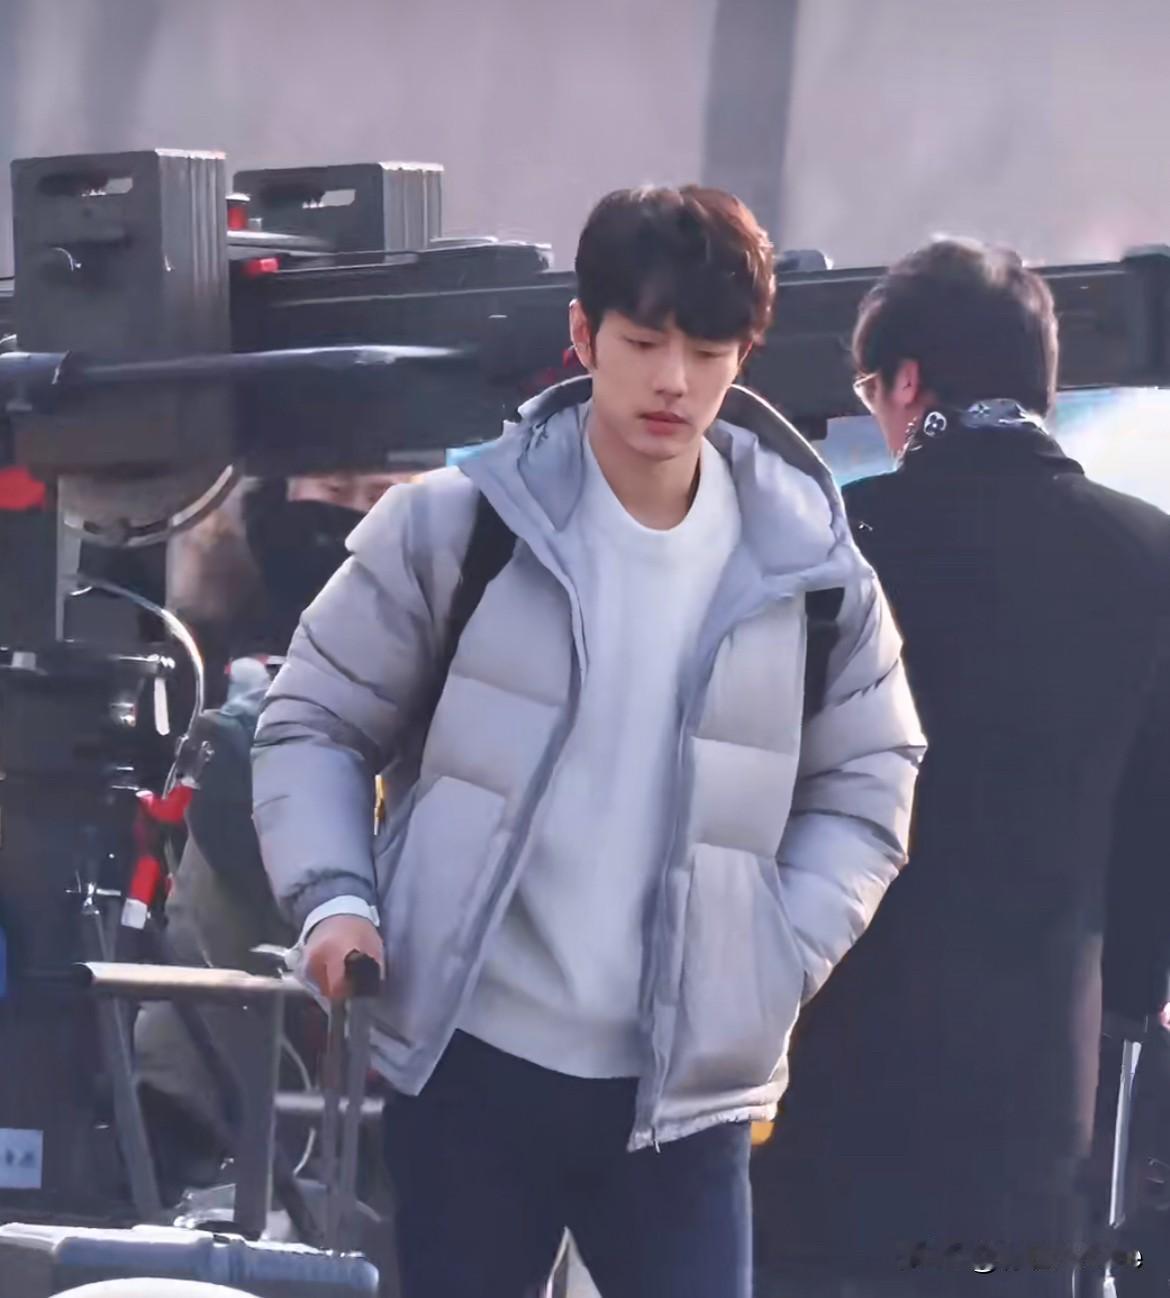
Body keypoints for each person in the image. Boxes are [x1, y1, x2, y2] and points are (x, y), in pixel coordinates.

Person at [252, 184, 924, 1298]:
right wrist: (335, 900)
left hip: (683, 1100)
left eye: (707, 351)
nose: (674, 381)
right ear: (583, 334)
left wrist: (775, 953)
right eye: (645, 342)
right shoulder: (458, 522)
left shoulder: (810, 566)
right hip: (467, 1065)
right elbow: (312, 716)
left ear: (745, 356)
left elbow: (871, 779)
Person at [752, 238, 1170, 1297]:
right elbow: (1154, 838)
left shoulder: (840, 548)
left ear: (906, 383)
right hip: (1036, 1088)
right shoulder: (1149, 557)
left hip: (826, 1070)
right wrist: (1125, 994)